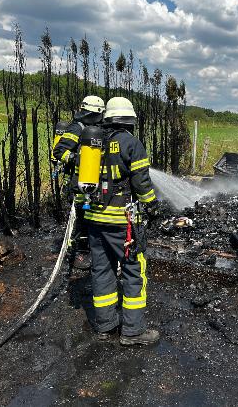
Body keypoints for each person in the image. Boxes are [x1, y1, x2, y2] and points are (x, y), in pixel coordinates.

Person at [85, 96, 160, 345]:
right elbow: (141, 181)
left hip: (94, 219)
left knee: (101, 270)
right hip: (122, 221)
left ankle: (105, 326)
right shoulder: (131, 143)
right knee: (133, 272)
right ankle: (133, 331)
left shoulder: (94, 142)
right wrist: (152, 205)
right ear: (130, 120)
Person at [53, 95, 106, 270]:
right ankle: (77, 254)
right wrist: (77, 158)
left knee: (90, 218)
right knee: (80, 220)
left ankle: (88, 251)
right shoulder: (77, 128)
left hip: (91, 182)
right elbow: (59, 151)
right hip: (78, 183)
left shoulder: (95, 129)